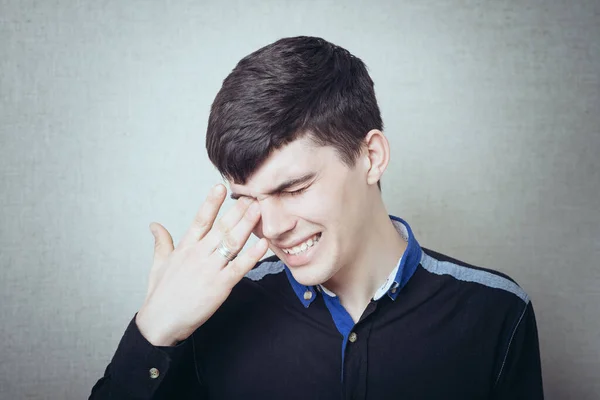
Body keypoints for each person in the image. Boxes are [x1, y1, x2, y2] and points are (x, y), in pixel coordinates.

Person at [89, 36, 544, 399]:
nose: (270, 227)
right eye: (248, 199)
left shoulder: (498, 314)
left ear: (371, 156)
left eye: (294, 188)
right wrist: (153, 333)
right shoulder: (212, 312)